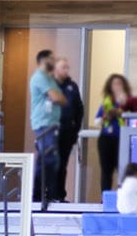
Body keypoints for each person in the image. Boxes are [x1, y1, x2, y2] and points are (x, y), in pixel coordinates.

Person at [30, 49, 68, 207]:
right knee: (49, 160)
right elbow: (56, 97)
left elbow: (63, 100)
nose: (54, 61)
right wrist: (58, 98)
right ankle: (43, 195)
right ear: (43, 60)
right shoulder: (39, 77)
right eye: (51, 59)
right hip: (43, 125)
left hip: (52, 124)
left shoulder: (50, 79)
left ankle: (42, 195)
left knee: (48, 160)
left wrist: (59, 98)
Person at [95, 75, 134, 194]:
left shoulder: (129, 102)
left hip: (123, 138)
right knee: (106, 170)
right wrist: (106, 116)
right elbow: (97, 120)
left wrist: (120, 112)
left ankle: (124, 196)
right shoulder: (107, 102)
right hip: (106, 138)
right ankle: (105, 199)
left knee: (123, 170)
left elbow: (133, 119)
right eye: (114, 84)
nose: (117, 86)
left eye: (119, 83)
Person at [54, 56, 85, 204]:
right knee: (50, 163)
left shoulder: (72, 86)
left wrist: (75, 130)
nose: (66, 70)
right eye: (63, 67)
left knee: (62, 165)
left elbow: (79, 109)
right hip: (51, 131)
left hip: (67, 132)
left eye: (67, 67)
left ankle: (59, 195)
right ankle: (47, 194)